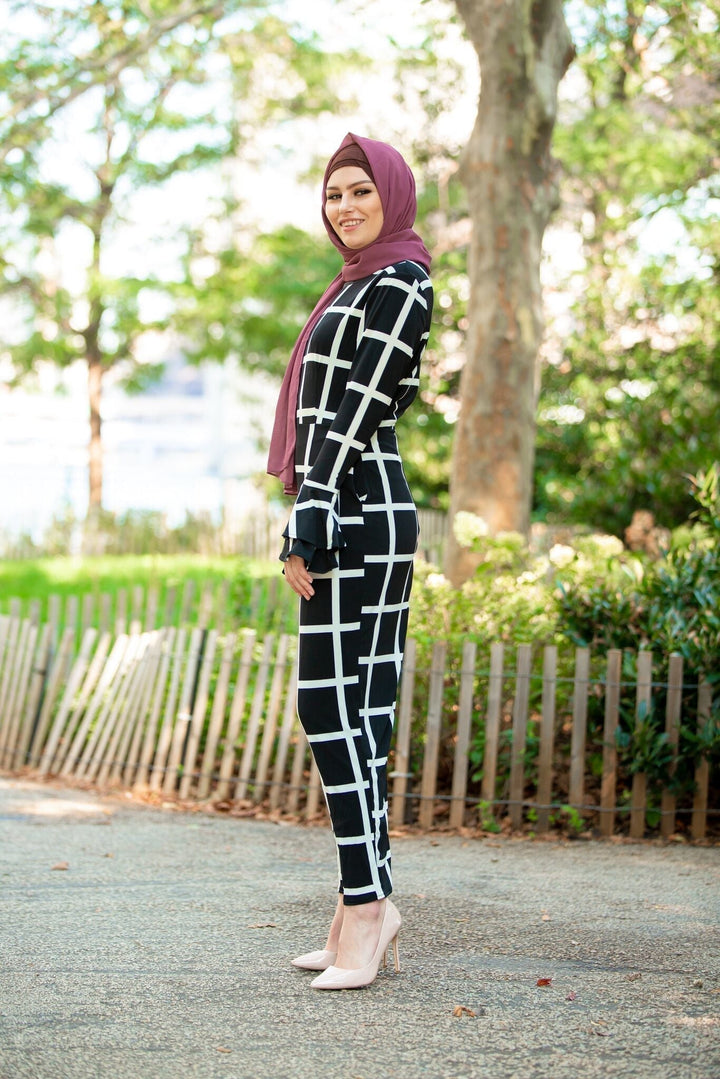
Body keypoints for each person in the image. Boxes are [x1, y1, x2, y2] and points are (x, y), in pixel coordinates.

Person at [267, 131, 433, 990]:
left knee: (334, 708)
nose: (346, 207)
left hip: (361, 510)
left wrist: (311, 517)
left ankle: (367, 910)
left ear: (393, 196)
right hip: (348, 504)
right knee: (352, 713)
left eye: (361, 191)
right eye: (334, 195)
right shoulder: (358, 283)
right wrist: (312, 509)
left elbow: (356, 411)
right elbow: (328, 416)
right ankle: (358, 905)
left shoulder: (401, 284)